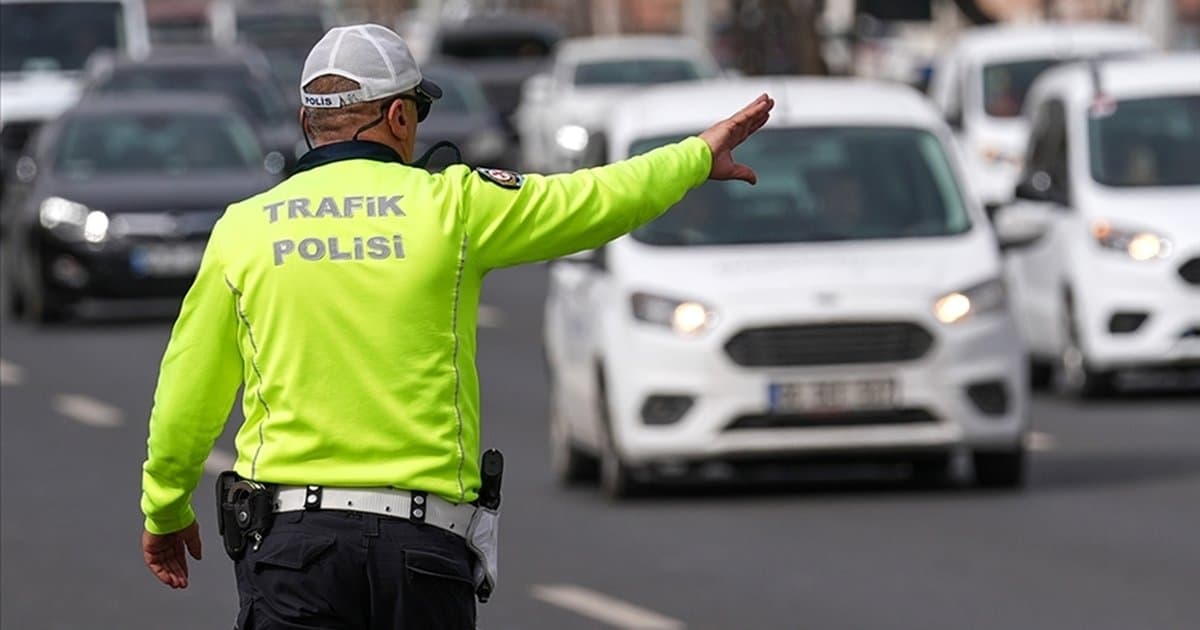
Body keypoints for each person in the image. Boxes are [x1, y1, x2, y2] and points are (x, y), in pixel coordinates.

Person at [139, 23, 773, 629]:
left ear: (310, 123)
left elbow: (186, 394)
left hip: (293, 553)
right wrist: (694, 158)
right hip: (421, 552)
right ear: (399, 117)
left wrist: (165, 508)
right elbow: (593, 201)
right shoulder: (455, 205)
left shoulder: (244, 229)